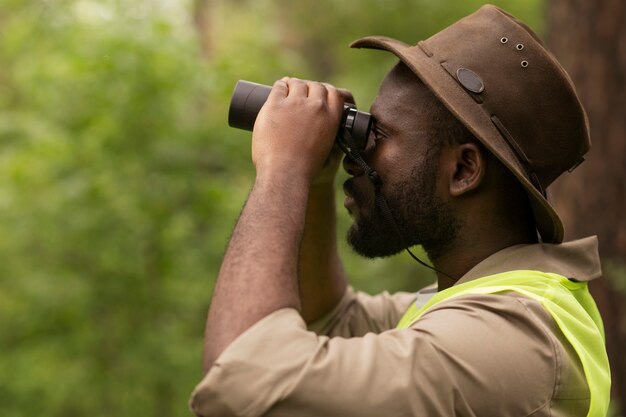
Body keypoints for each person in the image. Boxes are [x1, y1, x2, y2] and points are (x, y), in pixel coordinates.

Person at [190, 4, 610, 417]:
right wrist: (316, 178)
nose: (356, 157)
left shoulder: (514, 336)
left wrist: (281, 168)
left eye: (381, 135)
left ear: (463, 169)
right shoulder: (463, 303)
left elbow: (239, 378)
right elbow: (327, 318)